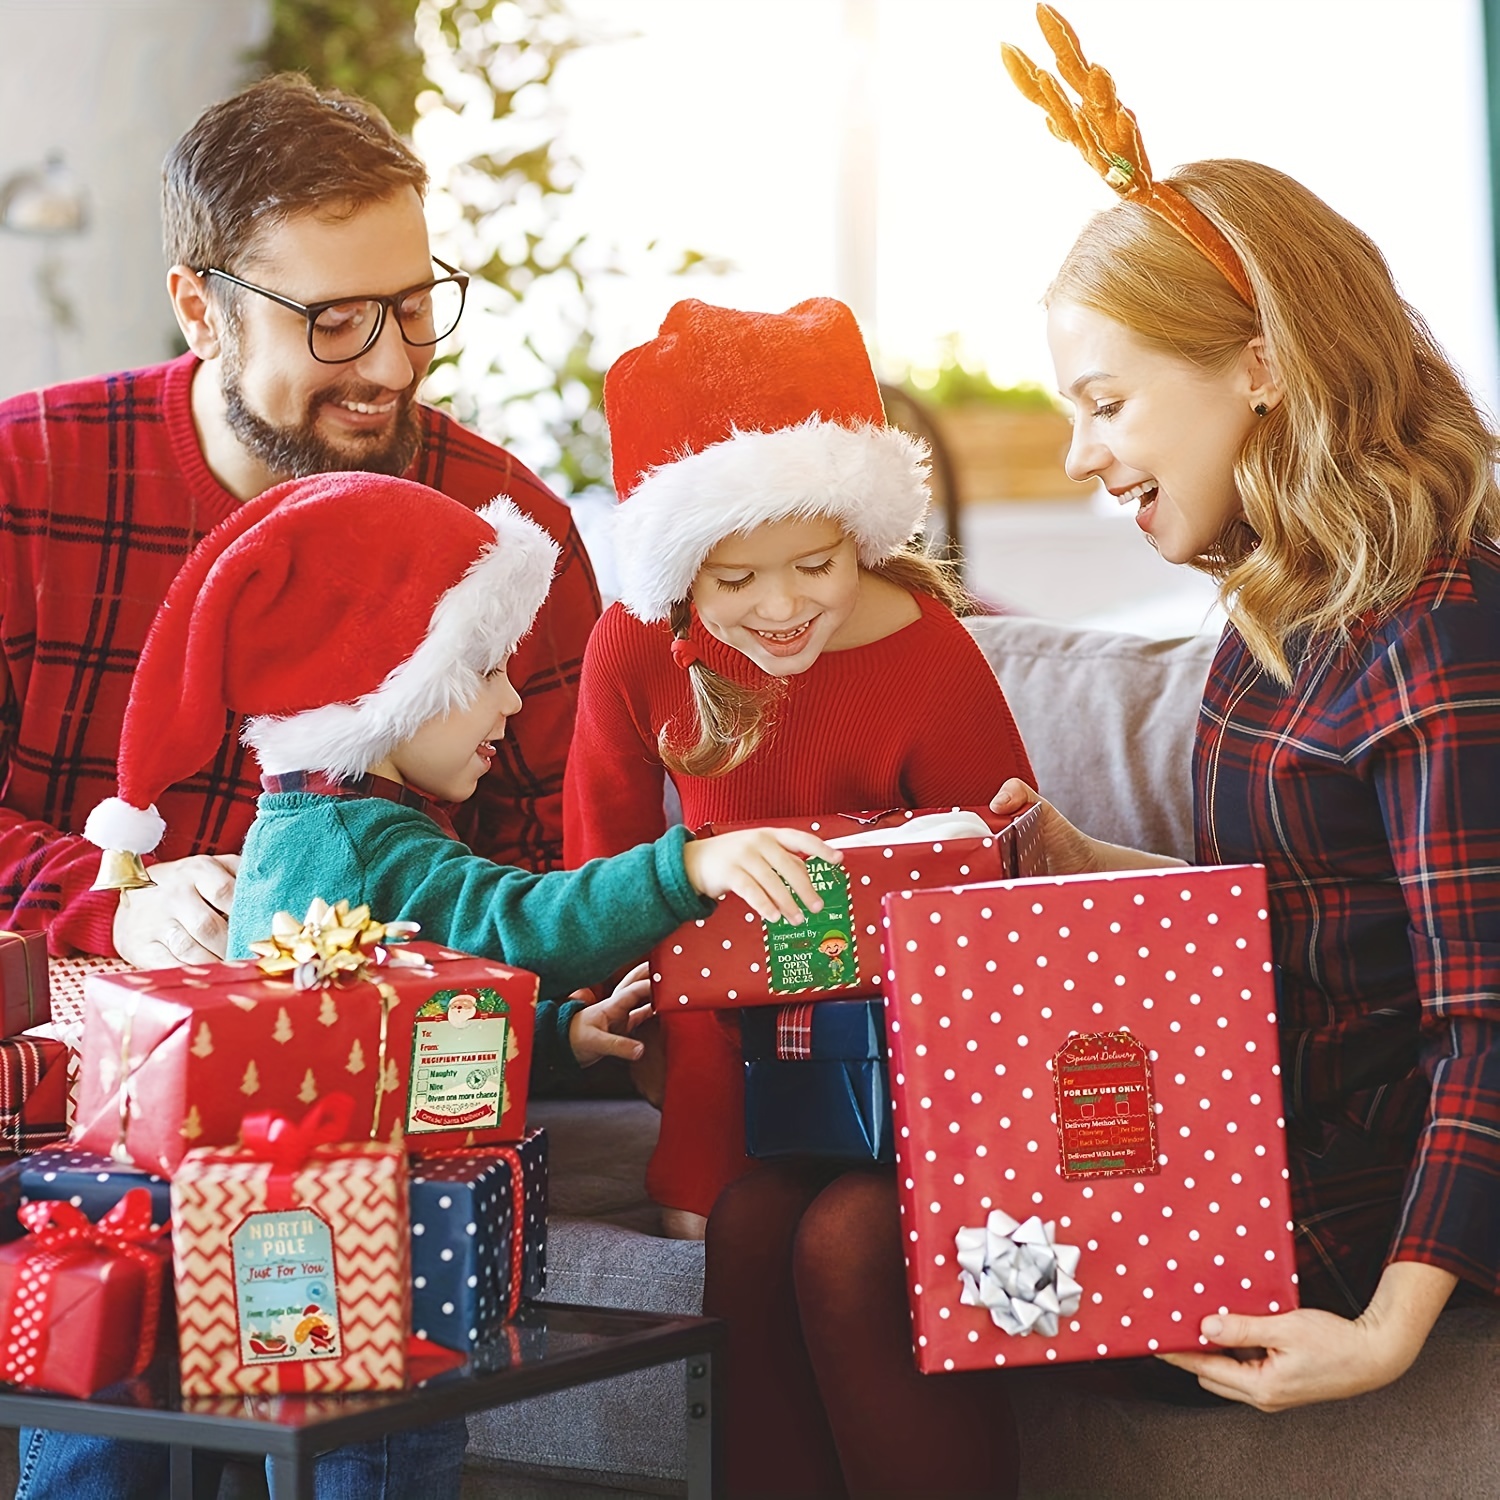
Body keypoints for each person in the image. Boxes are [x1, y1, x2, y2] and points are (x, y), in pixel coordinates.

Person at [700, 10, 1500, 1495]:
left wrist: (1388, 1331)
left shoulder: (1436, 626)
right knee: (775, 1211)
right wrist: (1088, 867)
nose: (1078, 455)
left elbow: (1484, 1016)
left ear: (1261, 366)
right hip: (1273, 1111)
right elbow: (1315, 920)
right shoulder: (1282, 610)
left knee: (869, 1241)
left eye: (1105, 400)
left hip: (1377, 1184)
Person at [35, 471, 838, 1500]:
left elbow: (392, 1029)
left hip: (268, 1211)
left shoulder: (296, 827)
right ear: (386, 682)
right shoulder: (371, 841)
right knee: (383, 1449)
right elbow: (519, 920)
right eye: (485, 669)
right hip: (349, 1229)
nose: (510, 699)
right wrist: (682, 869)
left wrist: (557, 1037)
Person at [0, 71, 599, 971]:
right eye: (336, 320)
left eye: (412, 307)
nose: (395, 367)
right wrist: (106, 897)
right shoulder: (23, 481)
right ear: (202, 312)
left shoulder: (505, 526)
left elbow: (566, 852)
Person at [563, 296, 1035, 1237]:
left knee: (857, 1233)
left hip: (895, 1018)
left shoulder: (931, 654)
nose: (781, 606)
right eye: (735, 581)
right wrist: (618, 1017)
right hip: (711, 1013)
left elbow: (1003, 869)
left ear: (861, 535)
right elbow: (600, 847)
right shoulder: (633, 646)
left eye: (817, 565)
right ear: (681, 573)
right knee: (711, 1225)